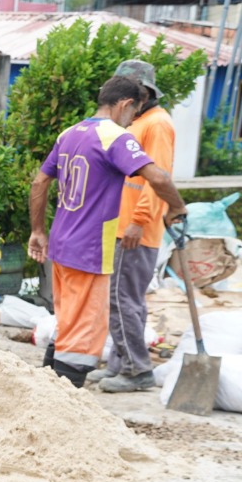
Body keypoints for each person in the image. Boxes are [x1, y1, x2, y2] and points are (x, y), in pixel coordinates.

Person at [28, 76, 187, 388]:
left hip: (60, 244)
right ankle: (63, 396)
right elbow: (160, 178)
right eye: (134, 113)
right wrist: (178, 207)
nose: (132, 121)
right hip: (90, 249)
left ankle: (45, 390)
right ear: (126, 104)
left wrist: (37, 231)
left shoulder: (70, 133)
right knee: (85, 331)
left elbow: (39, 183)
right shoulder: (115, 137)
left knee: (68, 321)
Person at [94, 60, 177, 393]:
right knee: (121, 299)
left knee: (123, 300)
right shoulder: (142, 121)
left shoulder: (156, 124)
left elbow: (158, 177)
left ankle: (135, 369)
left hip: (135, 230)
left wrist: (139, 222)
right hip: (124, 225)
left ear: (143, 92)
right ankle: (120, 364)